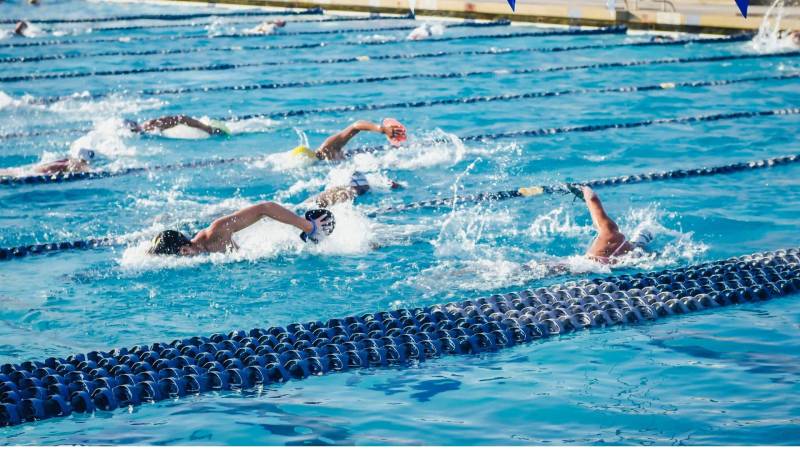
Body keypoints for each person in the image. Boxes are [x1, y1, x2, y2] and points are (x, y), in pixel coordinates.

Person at [148, 203, 335, 256]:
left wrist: (308, 227)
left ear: (184, 249)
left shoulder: (216, 231)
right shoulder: (201, 252)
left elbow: (265, 208)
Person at [569, 185, 653, 264]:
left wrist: (583, 188)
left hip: (591, 265)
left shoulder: (609, 230)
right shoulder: (635, 256)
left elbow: (592, 199)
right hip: (595, 265)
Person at [290, 118, 406, 163]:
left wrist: (380, 129)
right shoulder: (323, 160)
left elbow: (355, 126)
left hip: (357, 155)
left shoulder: (327, 148)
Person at [314, 171, 403, 207]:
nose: (367, 189)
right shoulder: (345, 193)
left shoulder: (370, 186)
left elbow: (392, 185)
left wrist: (393, 185)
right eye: (363, 189)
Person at [0, 148, 97, 177]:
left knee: (13, 172)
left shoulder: (68, 160)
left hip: (37, 170)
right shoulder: (73, 164)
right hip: (38, 172)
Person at [124, 115, 230, 137]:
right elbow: (182, 119)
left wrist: (207, 129)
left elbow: (181, 119)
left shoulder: (151, 125)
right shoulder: (147, 127)